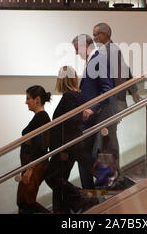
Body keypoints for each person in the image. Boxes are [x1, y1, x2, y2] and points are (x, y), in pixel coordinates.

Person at [92, 22, 141, 189]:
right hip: (111, 103)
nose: (94, 38)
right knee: (106, 139)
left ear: (105, 35)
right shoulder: (108, 50)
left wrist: (133, 93)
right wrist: (134, 92)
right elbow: (126, 71)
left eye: (96, 35)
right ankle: (112, 175)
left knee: (108, 139)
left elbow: (122, 74)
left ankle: (114, 176)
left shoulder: (110, 51)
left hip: (112, 103)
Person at [44, 66, 97, 213]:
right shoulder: (75, 95)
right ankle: (65, 208)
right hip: (70, 145)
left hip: (66, 146)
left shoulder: (69, 96)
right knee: (59, 182)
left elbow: (69, 124)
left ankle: (81, 197)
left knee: (52, 178)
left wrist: (63, 149)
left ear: (62, 79)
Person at [72, 34, 115, 189]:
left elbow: (107, 89)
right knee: (84, 154)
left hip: (96, 118)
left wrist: (92, 108)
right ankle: (89, 192)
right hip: (89, 119)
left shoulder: (99, 59)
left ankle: (100, 183)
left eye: (77, 49)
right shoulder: (92, 60)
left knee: (84, 154)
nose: (76, 53)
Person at [17, 85, 52, 214]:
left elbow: (40, 146)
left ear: (37, 99)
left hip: (34, 166)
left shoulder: (42, 117)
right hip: (32, 165)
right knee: (25, 201)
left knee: (25, 202)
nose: (26, 102)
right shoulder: (40, 117)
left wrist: (30, 169)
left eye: (28, 98)